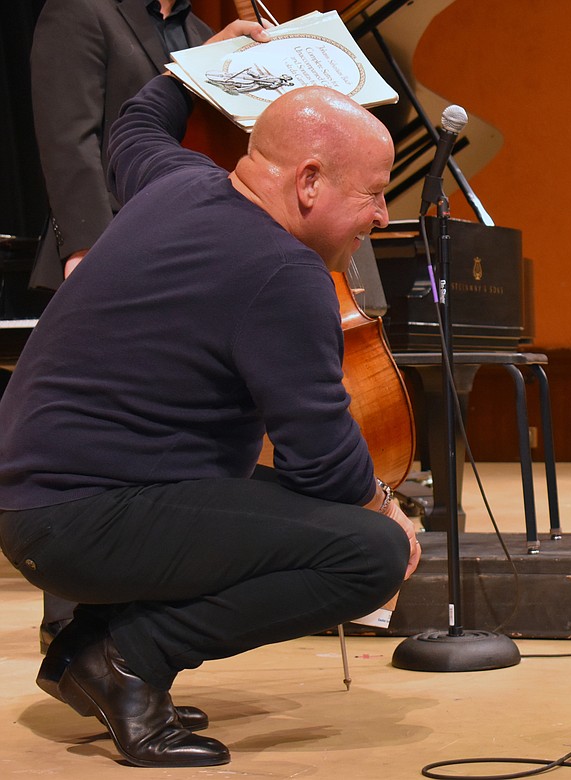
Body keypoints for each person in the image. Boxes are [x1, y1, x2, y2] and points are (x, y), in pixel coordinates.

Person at [0, 32, 421, 768]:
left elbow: (132, 128)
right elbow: (322, 462)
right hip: (81, 518)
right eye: (375, 192)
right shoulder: (281, 272)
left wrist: (198, 64)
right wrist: (387, 509)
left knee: (301, 514)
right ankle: (125, 661)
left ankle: (83, 651)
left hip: (45, 504)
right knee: (371, 554)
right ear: (310, 182)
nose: (383, 215)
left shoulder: (177, 181)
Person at [27, 0, 218, 653]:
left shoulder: (199, 33)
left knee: (158, 449)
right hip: (106, 255)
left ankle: (130, 638)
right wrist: (90, 249)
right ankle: (70, 630)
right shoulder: (82, 9)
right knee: (92, 449)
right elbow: (67, 134)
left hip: (182, 262)